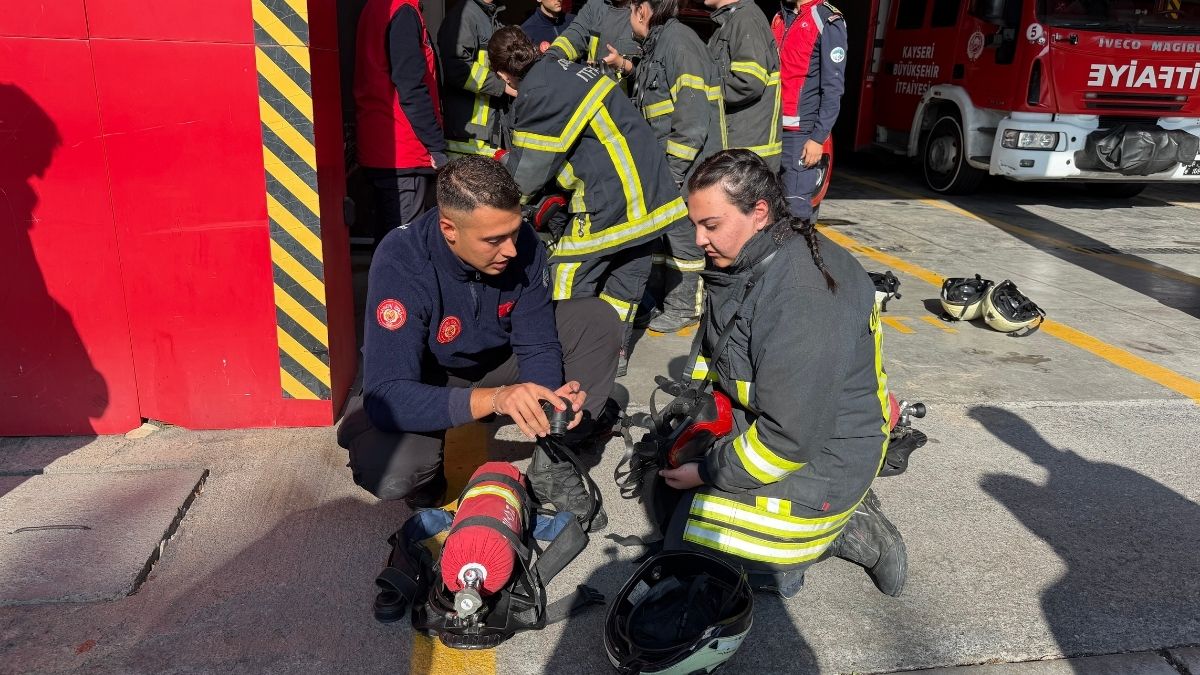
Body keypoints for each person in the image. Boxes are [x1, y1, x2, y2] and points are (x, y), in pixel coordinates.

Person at [657, 149, 906, 598]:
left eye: (710, 225)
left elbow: (789, 439)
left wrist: (709, 470)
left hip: (821, 453)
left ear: (759, 212)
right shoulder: (756, 257)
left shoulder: (800, 297)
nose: (698, 240)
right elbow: (721, 352)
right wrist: (689, 417)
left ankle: (846, 532)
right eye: (695, 224)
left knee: (690, 554)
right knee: (665, 498)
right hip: (788, 424)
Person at [337, 156, 621, 529]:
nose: (512, 250)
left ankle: (552, 465)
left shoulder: (524, 248)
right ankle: (410, 462)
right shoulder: (402, 261)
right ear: (449, 229)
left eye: (514, 231)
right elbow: (391, 390)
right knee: (394, 472)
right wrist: (497, 398)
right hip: (430, 378)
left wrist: (548, 401)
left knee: (596, 320)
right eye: (493, 240)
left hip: (496, 362)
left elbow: (537, 343)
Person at [488, 26, 688, 376]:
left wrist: (502, 184)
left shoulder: (538, 91)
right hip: (651, 195)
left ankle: (563, 352)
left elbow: (527, 176)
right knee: (626, 283)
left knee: (565, 273)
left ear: (502, 73)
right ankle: (613, 353)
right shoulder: (562, 68)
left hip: (614, 199)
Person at [627, 0, 723, 334]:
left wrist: (674, 172)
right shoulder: (657, 45)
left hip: (687, 168)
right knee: (660, 240)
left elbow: (692, 120)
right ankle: (655, 300)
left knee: (682, 238)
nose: (629, 19)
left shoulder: (679, 43)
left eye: (630, 10)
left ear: (643, 9)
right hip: (662, 165)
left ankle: (685, 306)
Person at [353, 0, 448, 245]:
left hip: (384, 143)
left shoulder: (376, 8)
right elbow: (411, 85)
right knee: (405, 247)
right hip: (403, 146)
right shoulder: (403, 11)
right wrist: (435, 144)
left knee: (389, 242)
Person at [773, 0, 846, 221]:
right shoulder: (779, 17)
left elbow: (833, 88)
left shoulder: (828, 19)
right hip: (771, 128)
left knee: (796, 209)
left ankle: (803, 254)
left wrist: (818, 138)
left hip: (801, 134)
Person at [705, 0, 782, 171]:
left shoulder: (746, 20)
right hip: (739, 149)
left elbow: (748, 82)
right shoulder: (733, 20)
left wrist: (704, 94)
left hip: (746, 156)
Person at [438, 0, 511, 158]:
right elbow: (457, 68)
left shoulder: (494, 18)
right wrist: (503, 86)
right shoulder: (463, 15)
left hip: (488, 138)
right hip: (467, 140)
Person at [546, 0, 639, 80]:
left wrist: (623, 65)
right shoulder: (595, 5)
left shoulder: (646, 9)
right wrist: (550, 56)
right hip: (595, 89)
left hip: (628, 96)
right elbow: (574, 35)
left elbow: (648, 68)